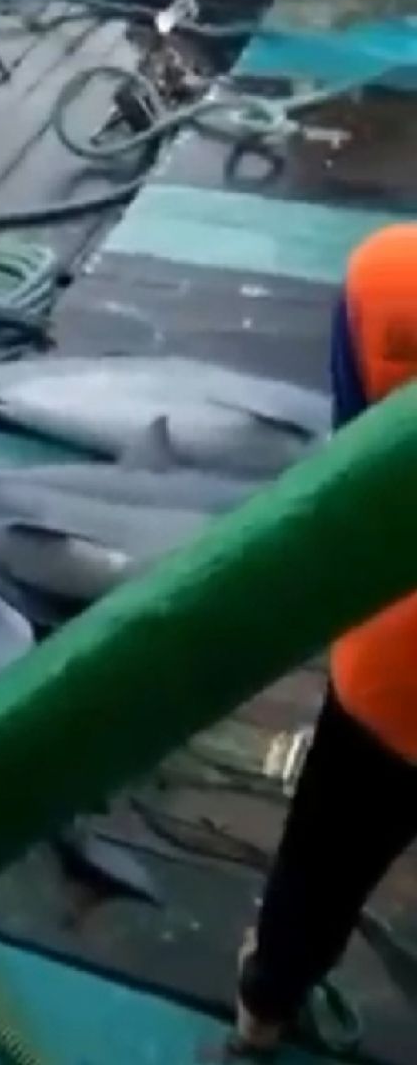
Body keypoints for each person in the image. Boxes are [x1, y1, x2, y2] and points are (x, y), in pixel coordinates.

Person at [234, 222, 417, 1053]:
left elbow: (354, 470)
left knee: (321, 870)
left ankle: (262, 1015)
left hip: (395, 674)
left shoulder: (386, 276)